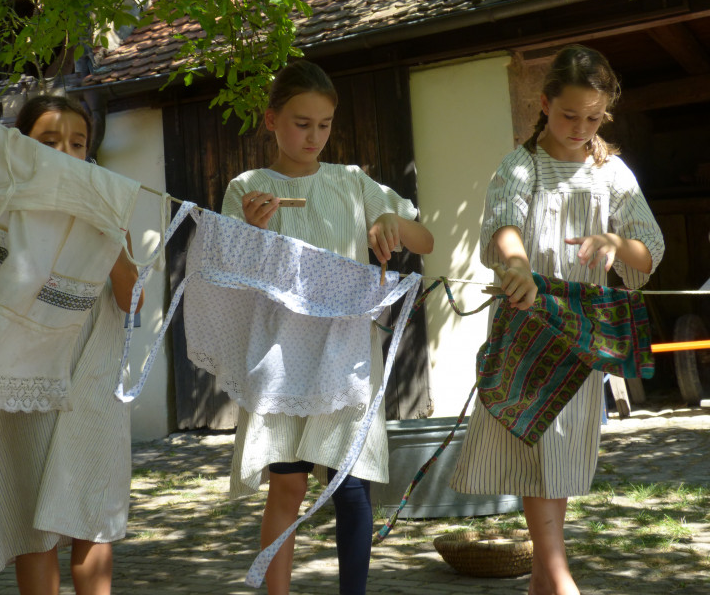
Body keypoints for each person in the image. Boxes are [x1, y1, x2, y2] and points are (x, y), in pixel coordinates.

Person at [450, 45, 664, 595]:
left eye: (593, 118)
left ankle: (546, 582)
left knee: (562, 454)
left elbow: (649, 250)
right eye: (570, 115)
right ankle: (559, 579)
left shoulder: (611, 173)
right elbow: (502, 226)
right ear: (545, 104)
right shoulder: (520, 166)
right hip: (528, 327)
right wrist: (518, 264)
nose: (580, 127)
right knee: (540, 446)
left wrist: (617, 241)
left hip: (583, 334)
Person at [220, 60, 433, 595]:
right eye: (300, 123)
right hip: (280, 354)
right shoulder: (246, 187)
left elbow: (424, 240)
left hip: (345, 351)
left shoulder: (352, 183)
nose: (313, 135)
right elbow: (226, 270)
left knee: (350, 484)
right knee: (286, 484)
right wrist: (249, 230)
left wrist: (392, 223)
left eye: (324, 124)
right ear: (271, 120)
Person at [0, 94, 143, 595]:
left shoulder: (109, 207)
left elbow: (131, 301)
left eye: (77, 143)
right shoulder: (1, 208)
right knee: (33, 527)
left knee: (93, 516)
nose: (66, 153)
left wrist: (110, 240)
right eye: (50, 142)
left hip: (93, 377)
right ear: (23, 147)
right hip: (23, 381)